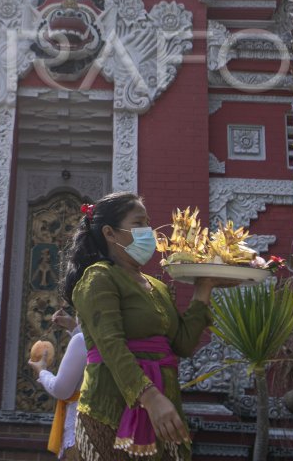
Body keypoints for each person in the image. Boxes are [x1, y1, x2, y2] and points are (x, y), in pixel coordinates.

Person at [64, 192, 230, 461]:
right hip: (111, 410)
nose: (149, 232)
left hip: (166, 406)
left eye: (148, 223)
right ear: (110, 233)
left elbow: (183, 344)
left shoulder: (158, 287)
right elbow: (111, 346)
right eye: (139, 223)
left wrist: (204, 288)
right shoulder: (98, 278)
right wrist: (150, 398)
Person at [30, 307, 88, 459]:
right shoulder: (113, 339)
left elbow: (61, 390)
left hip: (81, 427)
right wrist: (73, 327)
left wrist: (42, 371)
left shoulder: (81, 340)